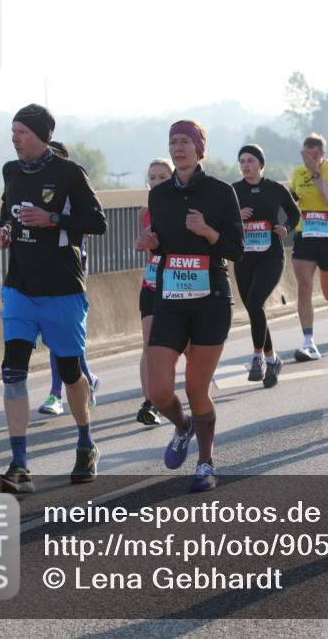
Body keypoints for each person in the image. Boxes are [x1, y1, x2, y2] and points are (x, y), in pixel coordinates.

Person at [0, 103, 107, 494]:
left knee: (71, 372)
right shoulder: (10, 170)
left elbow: (97, 222)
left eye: (21, 132)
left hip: (63, 289)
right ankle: (20, 464)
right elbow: (7, 210)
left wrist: (53, 219)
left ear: (41, 136)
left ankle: (86, 442)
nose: (14, 139)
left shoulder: (70, 173)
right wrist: (4, 230)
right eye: (13, 132)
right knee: (13, 370)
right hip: (20, 287)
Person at [135, 120, 243, 492]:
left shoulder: (221, 192)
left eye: (185, 142)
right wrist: (151, 243)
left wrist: (209, 232)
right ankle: (183, 427)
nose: (178, 148)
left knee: (197, 386)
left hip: (211, 300)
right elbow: (163, 244)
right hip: (170, 298)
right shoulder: (159, 196)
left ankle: (206, 462)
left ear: (200, 149)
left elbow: (237, 250)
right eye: (173, 142)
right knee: (159, 390)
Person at [37, 140, 101, 416]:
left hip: (71, 267)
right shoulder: (35, 187)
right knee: (58, 335)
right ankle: (88, 379)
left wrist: (56, 220)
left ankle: (56, 393)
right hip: (41, 268)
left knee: (62, 334)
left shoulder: (75, 185)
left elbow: (92, 225)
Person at [233, 144, 300, 387]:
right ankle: (273, 360)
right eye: (242, 161)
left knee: (254, 303)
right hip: (244, 258)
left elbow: (294, 214)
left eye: (250, 160)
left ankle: (257, 357)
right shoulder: (234, 191)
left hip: (271, 256)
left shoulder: (275, 189)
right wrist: (236, 217)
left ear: (260, 164)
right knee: (254, 309)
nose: (246, 165)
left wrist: (286, 228)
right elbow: (221, 221)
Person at [290, 134, 328, 361]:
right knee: (304, 286)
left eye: (313, 155)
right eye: (305, 154)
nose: (308, 159)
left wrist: (315, 172)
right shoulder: (297, 173)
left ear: (321, 154)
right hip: (305, 232)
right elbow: (291, 199)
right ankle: (309, 342)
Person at [134, 158, 174, 426]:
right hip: (151, 284)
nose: (157, 182)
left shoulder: (183, 208)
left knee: (171, 349)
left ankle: (166, 396)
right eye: (153, 177)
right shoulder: (144, 212)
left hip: (178, 285)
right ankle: (149, 403)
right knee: (148, 343)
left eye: (162, 177)